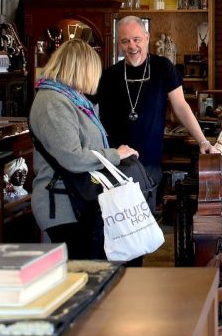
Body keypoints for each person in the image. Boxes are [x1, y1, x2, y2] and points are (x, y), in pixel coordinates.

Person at [29, 39, 139, 262]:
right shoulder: (53, 102)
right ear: (81, 69)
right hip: (64, 207)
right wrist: (115, 155)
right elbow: (72, 157)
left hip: (79, 200)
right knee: (83, 278)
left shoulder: (72, 99)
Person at [96, 15, 215, 211]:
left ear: (147, 37)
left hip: (149, 163)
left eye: (136, 40)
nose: (132, 46)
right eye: (125, 41)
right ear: (119, 44)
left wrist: (203, 141)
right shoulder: (109, 75)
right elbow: (87, 112)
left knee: (146, 228)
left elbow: (181, 106)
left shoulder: (162, 68)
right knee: (118, 230)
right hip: (115, 164)